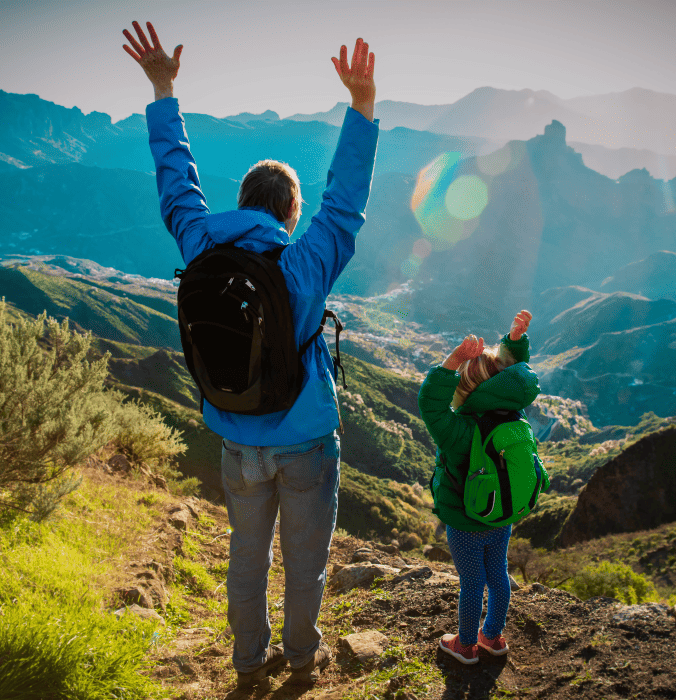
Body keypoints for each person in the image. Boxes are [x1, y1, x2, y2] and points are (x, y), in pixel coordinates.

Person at [121, 21, 379, 687]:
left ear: (241, 205)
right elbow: (344, 205)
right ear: (289, 211)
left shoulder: (201, 243)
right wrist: (362, 106)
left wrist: (163, 90)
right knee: (305, 564)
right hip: (305, 441)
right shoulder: (301, 264)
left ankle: (246, 663)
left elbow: (176, 185)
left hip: (236, 437)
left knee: (246, 558)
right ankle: (301, 659)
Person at [417, 310, 537, 664]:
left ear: (466, 390)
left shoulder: (460, 431)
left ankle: (466, 644)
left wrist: (453, 361)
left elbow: (429, 403)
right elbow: (513, 377)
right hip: (502, 516)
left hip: (465, 521)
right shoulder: (514, 417)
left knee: (472, 582)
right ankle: (492, 636)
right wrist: (515, 343)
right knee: (498, 576)